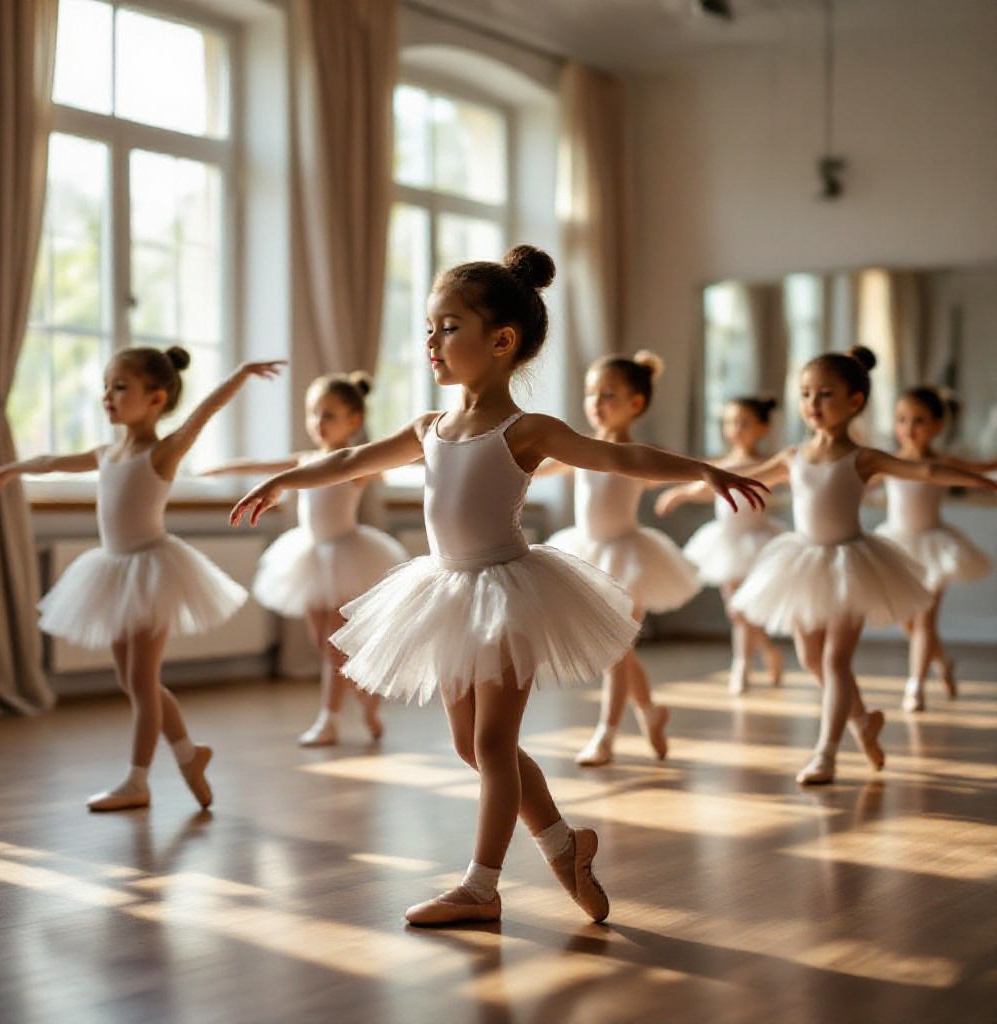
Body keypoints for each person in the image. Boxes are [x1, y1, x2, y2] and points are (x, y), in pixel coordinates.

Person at [229, 245, 766, 926]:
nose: (431, 340)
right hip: (446, 593)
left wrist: (703, 470)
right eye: (429, 326)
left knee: (489, 745)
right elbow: (349, 459)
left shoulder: (526, 430)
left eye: (449, 327)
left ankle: (481, 887)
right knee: (472, 745)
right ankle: (566, 845)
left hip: (507, 594)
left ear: (502, 340)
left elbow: (617, 455)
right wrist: (286, 479)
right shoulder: (429, 428)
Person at [0, 347, 283, 811]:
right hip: (113, 570)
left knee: (141, 682)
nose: (107, 395)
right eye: (106, 385)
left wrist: (239, 375)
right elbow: (52, 461)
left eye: (120, 386)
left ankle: (137, 780)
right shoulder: (107, 453)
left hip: (150, 571)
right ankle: (189, 754)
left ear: (156, 399)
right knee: (132, 679)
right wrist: (10, 469)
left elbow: (205, 413)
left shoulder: (162, 452)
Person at [731, 347, 995, 784]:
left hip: (850, 565)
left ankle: (826, 753)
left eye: (825, 394)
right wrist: (689, 481)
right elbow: (743, 475)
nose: (813, 404)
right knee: (810, 657)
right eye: (805, 394)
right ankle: (862, 722)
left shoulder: (864, 457)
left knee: (835, 661)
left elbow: (928, 472)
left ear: (855, 401)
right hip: (802, 563)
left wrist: (985, 480)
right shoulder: (792, 456)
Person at [202, 371, 407, 744]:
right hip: (309, 555)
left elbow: (398, 460)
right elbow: (262, 466)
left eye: (328, 414)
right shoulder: (306, 459)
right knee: (322, 643)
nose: (318, 422)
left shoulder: (355, 462)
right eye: (313, 413)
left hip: (346, 554)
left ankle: (327, 720)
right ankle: (368, 698)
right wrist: (224, 468)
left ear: (353, 421)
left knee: (333, 644)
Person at [546, 351, 700, 766]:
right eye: (591, 393)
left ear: (635, 403)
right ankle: (650, 712)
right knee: (617, 651)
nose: (596, 401)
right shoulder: (578, 449)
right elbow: (537, 466)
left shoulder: (637, 453)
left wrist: (689, 488)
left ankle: (605, 736)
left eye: (608, 394)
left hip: (630, 560)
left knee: (614, 651)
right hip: (584, 552)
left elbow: (681, 470)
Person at [874, 386, 995, 711]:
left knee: (925, 621)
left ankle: (915, 686)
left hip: (934, 547)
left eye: (919, 420)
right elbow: (853, 479)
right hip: (895, 544)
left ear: (938, 424)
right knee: (906, 621)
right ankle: (943, 664)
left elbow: (982, 468)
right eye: (902, 420)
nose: (909, 429)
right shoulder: (885, 461)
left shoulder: (943, 462)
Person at [656, 396, 786, 695]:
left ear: (762, 428)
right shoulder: (720, 464)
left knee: (743, 609)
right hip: (726, 543)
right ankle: (765, 653)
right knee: (737, 611)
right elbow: (704, 488)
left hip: (758, 542)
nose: (735, 428)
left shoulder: (769, 465)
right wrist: (680, 495)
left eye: (744, 423)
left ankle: (743, 664)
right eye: (730, 422)